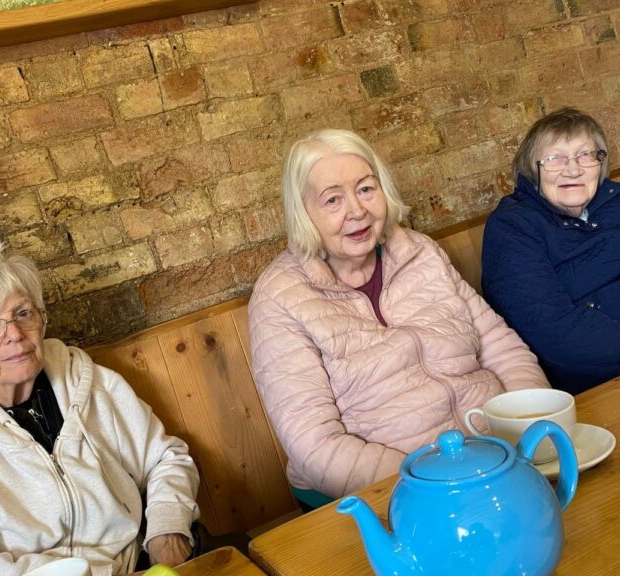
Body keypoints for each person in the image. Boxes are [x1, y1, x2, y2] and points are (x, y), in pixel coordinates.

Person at [248, 129, 548, 508]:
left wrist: (526, 426)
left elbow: (501, 348)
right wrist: (430, 481)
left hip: (493, 457)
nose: (357, 211)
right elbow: (315, 444)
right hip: (392, 488)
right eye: (332, 199)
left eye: (366, 189)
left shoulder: (419, 251)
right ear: (303, 212)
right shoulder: (280, 297)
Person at [0, 239, 200, 576]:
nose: (13, 333)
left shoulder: (90, 382)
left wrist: (166, 532)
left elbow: (164, 459)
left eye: (22, 313)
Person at [482, 107, 620, 395]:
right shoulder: (512, 228)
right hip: (596, 385)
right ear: (533, 168)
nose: (573, 169)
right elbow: (557, 336)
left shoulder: (615, 201)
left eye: (585, 155)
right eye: (554, 158)